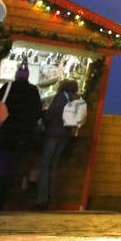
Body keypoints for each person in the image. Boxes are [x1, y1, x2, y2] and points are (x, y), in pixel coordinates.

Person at [0, 62, 42, 210]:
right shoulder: (33, 91)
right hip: (21, 137)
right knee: (13, 167)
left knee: (0, 166)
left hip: (4, 133)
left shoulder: (7, 88)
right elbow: (37, 112)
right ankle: (5, 199)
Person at [34, 79, 80, 211]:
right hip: (66, 134)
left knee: (45, 165)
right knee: (53, 165)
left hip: (53, 133)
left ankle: (41, 199)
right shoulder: (77, 98)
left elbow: (51, 113)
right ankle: (50, 198)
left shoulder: (61, 96)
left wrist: (44, 121)